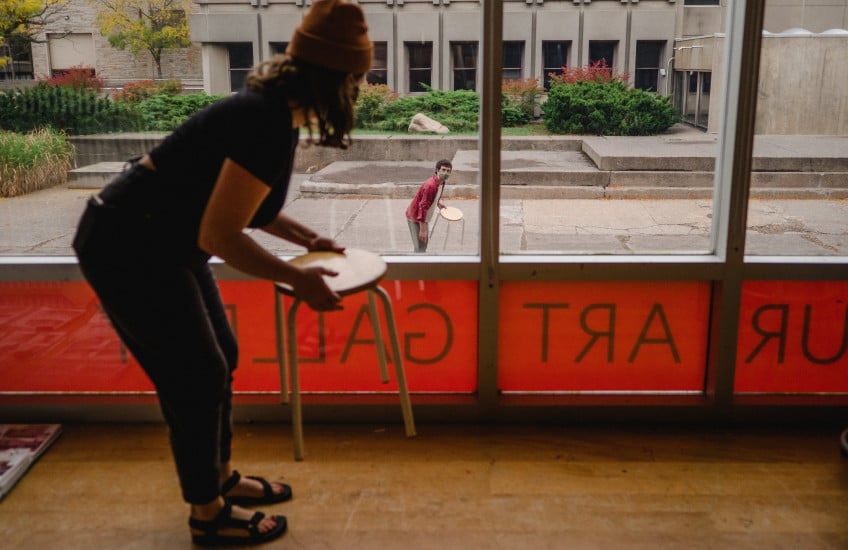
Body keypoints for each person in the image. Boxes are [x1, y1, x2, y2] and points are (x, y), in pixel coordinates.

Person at [71, 0, 372, 546]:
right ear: (337, 79)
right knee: (197, 376)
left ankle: (218, 478)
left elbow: (244, 206)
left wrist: (309, 241)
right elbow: (220, 236)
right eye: (357, 80)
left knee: (218, 360)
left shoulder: (269, 113)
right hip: (127, 245)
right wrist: (296, 278)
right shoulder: (262, 120)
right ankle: (207, 513)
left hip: (158, 243)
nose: (358, 92)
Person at [405, 159, 453, 252]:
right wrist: (422, 230)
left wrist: (438, 203)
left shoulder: (442, 182)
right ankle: (416, 264)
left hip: (423, 217)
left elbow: (434, 196)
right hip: (415, 216)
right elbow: (422, 207)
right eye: (443, 170)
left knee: (423, 245)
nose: (446, 172)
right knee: (420, 247)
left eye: (448, 171)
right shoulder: (430, 186)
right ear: (437, 170)